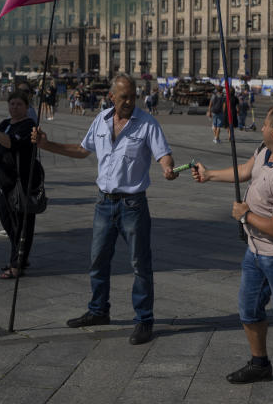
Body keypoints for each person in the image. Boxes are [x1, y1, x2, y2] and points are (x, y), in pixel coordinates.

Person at [32, 74, 177, 345]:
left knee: (140, 265)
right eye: (124, 97)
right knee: (97, 260)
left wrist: (168, 167)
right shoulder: (100, 120)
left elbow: (163, 154)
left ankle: (144, 320)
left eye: (132, 97)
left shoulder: (147, 123)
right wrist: (46, 144)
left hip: (133, 205)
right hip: (104, 203)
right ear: (111, 97)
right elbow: (81, 149)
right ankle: (99, 310)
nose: (129, 102)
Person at [191, 104, 273, 404]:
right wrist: (210, 175)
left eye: (264, 124)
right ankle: (259, 363)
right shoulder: (266, 150)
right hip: (256, 251)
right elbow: (246, 170)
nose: (260, 128)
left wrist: (245, 215)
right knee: (248, 308)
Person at [0, 91, 37, 278]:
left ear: (26, 107)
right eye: (12, 104)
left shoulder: (29, 125)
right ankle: (20, 256)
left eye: (19, 104)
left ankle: (16, 264)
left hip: (21, 181)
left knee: (21, 225)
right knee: (7, 222)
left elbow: (11, 143)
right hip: (2, 181)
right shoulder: (4, 124)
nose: (14, 107)